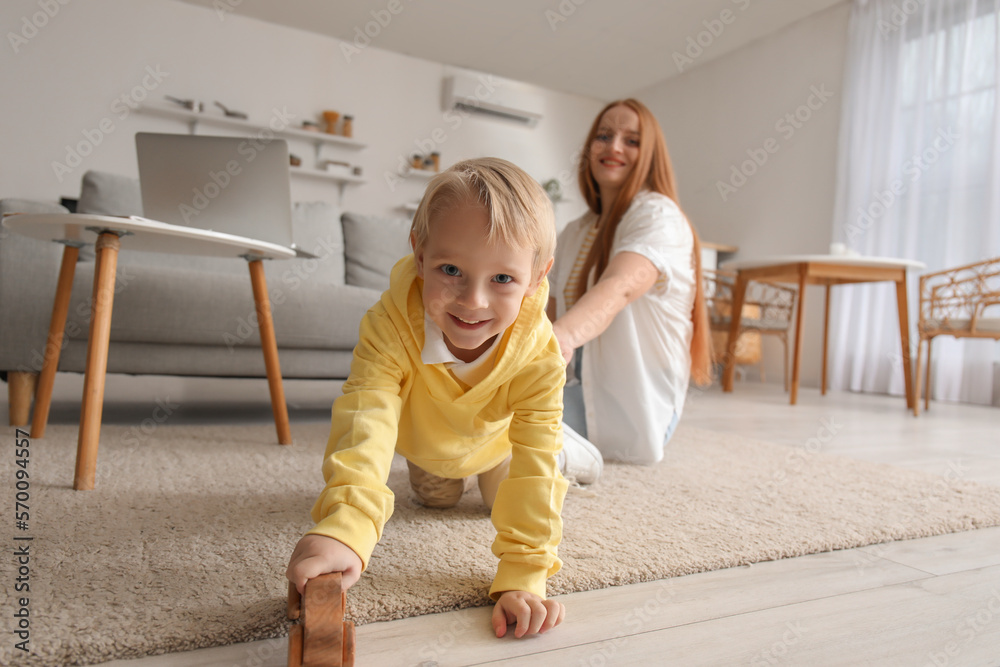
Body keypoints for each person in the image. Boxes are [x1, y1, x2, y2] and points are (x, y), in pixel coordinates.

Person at [287, 158, 587, 640]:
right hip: (427, 447)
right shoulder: (387, 325)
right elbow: (367, 419)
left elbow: (535, 463)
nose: (473, 301)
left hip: (498, 445)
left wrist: (524, 574)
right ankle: (441, 476)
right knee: (436, 499)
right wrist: (347, 527)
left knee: (505, 500)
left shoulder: (541, 355)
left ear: (536, 277)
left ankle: (579, 453)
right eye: (452, 270)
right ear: (420, 255)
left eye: (503, 280)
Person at [548, 98, 713, 465]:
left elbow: (621, 285)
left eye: (632, 140)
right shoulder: (576, 231)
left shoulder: (659, 216)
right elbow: (544, 312)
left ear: (651, 154)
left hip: (636, 404)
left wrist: (558, 340)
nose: (614, 147)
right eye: (604, 135)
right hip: (577, 389)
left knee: (506, 428)